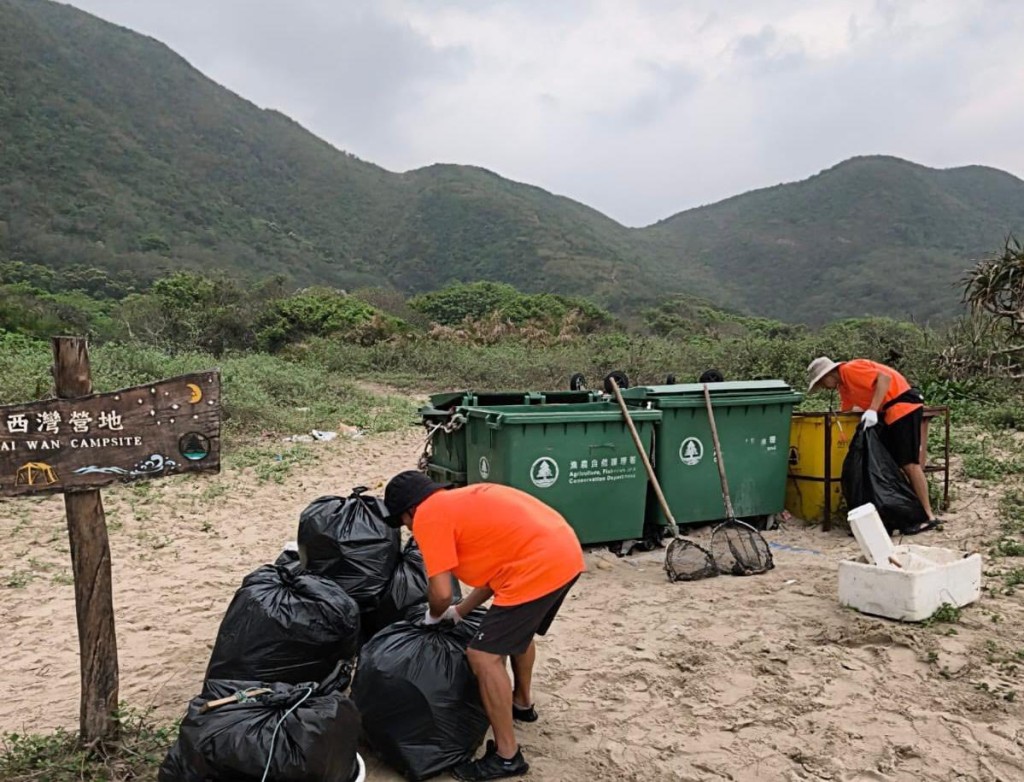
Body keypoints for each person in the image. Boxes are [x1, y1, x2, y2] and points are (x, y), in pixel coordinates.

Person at [382, 471, 585, 781]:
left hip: (539, 564)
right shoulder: (461, 502)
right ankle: (522, 703)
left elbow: (440, 592)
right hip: (563, 551)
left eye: (404, 522)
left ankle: (507, 757)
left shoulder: (429, 516)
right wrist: (460, 612)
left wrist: (433, 617)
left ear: (410, 510)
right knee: (519, 632)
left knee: (482, 656)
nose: (410, 529)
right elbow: (497, 573)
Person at [806, 356, 941, 534]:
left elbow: (884, 378)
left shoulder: (850, 370)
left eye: (823, 382)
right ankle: (903, 513)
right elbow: (848, 410)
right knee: (891, 465)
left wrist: (872, 409)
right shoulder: (844, 387)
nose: (824, 386)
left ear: (830, 373)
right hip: (889, 414)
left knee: (909, 463)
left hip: (902, 407)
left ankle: (928, 515)